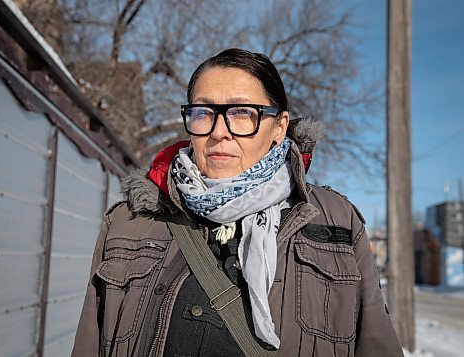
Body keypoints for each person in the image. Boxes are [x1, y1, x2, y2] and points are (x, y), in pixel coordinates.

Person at [72, 48, 403, 357]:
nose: (219, 132)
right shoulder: (129, 222)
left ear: (279, 127)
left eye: (242, 113)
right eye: (203, 112)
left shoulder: (334, 220)